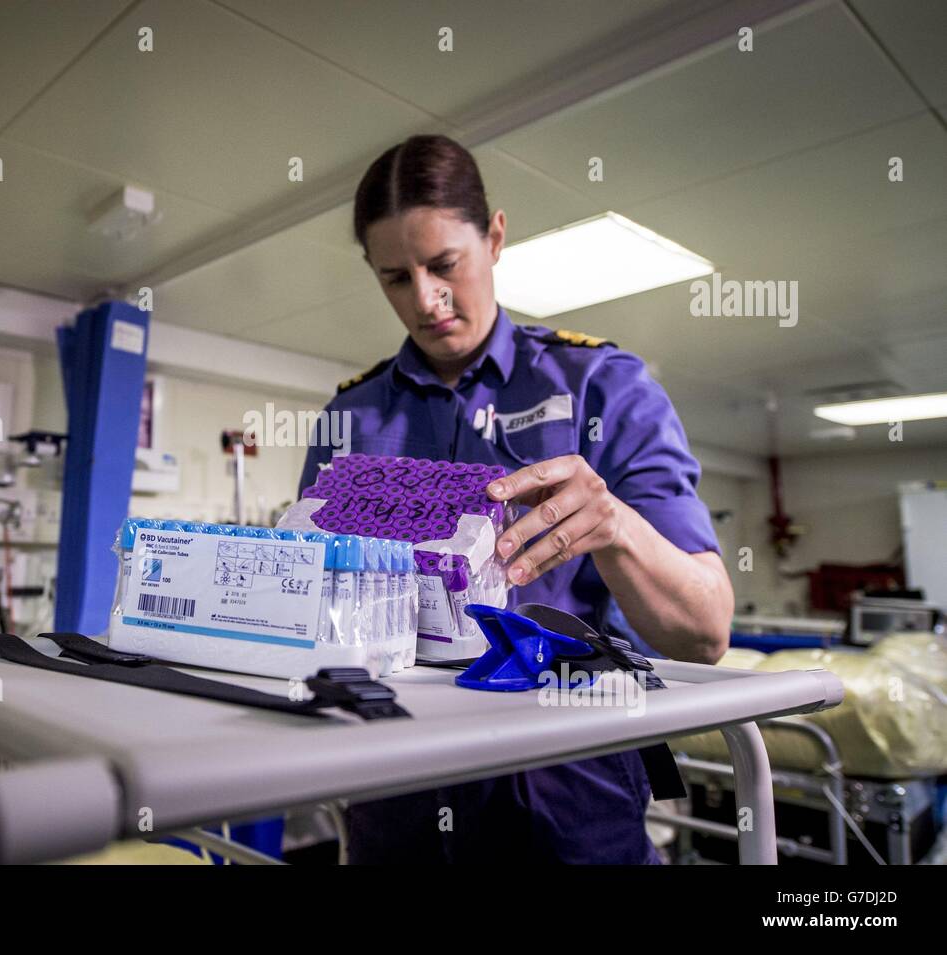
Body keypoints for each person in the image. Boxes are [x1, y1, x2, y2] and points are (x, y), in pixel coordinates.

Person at [297, 134, 733, 864]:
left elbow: (706, 631)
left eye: (444, 266)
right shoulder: (351, 417)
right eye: (396, 278)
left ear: (495, 237)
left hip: (573, 787)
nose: (427, 300)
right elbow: (317, 605)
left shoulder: (602, 387)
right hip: (396, 790)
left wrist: (616, 526)